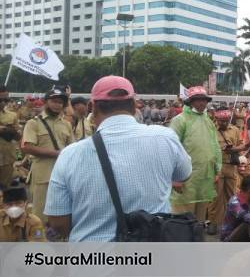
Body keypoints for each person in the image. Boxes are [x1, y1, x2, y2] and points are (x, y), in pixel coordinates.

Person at [44, 76, 192, 241]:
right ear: (134, 105)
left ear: (92, 107)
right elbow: (184, 174)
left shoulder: (70, 155)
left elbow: (58, 223)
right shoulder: (165, 137)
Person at [169, 86, 221, 234]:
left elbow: (215, 146)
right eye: (198, 100)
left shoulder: (208, 121)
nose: (201, 103)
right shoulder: (180, 120)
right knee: (182, 219)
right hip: (185, 180)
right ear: (190, 102)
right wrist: (175, 178)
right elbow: (172, 148)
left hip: (204, 179)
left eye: (204, 100)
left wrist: (217, 170)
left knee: (198, 221)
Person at [22, 87, 74, 224]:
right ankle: (38, 241)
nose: (58, 105)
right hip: (43, 175)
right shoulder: (33, 123)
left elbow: (72, 148)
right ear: (46, 102)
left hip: (64, 173)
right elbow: (27, 147)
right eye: (54, 101)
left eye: (61, 102)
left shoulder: (67, 125)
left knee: (62, 210)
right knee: (40, 214)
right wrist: (57, 153)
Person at [208, 107, 246, 235]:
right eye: (221, 121)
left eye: (226, 121)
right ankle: (213, 223)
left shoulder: (235, 130)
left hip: (231, 167)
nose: (224, 123)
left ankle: (233, 222)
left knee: (232, 196)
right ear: (216, 119)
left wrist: (233, 149)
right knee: (216, 197)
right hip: (216, 167)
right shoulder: (211, 130)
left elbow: (242, 145)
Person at [0, 87, 19, 189]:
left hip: (7, 157)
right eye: (0, 100)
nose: (3, 103)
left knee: (4, 188)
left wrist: (12, 131)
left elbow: (18, 137)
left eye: (6, 100)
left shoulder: (12, 115)